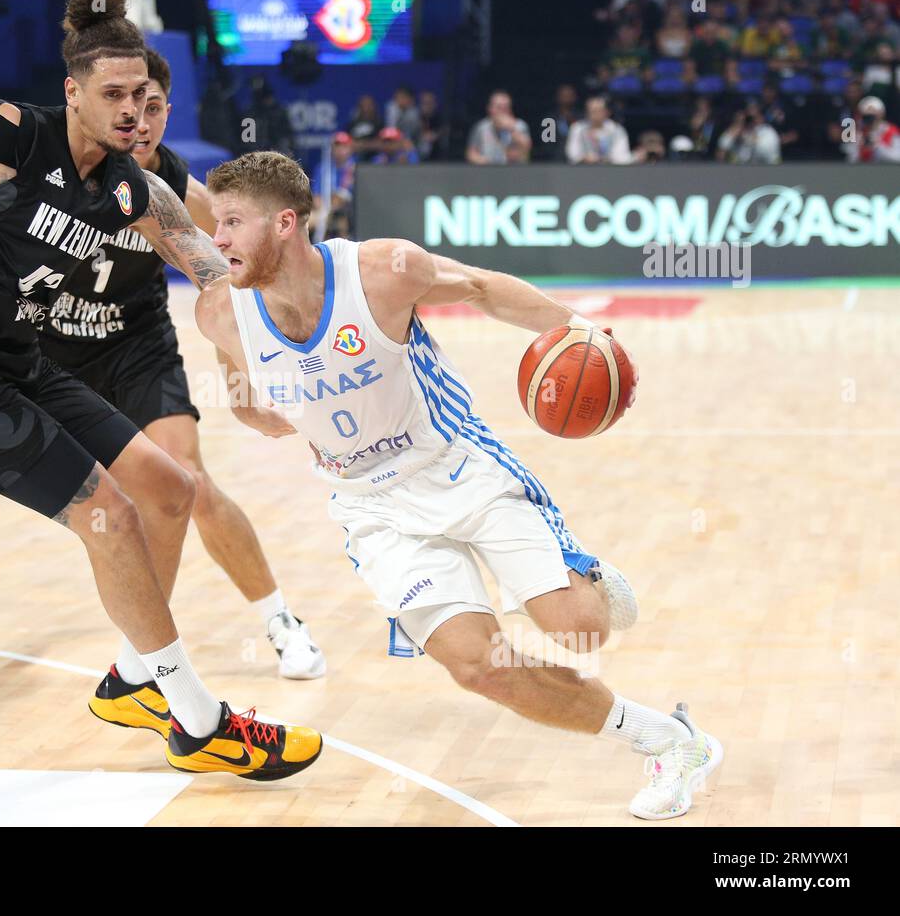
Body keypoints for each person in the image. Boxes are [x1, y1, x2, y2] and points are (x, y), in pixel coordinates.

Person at [0, 0, 322, 778]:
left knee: (170, 489)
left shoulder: (131, 184)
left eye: (144, 95)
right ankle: (200, 722)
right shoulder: (2, 131)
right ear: (74, 91)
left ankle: (133, 678)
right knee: (111, 516)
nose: (132, 109)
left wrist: (259, 367)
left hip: (20, 363)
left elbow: (207, 273)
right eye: (114, 94)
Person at [193, 149, 724, 819]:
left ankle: (587, 580)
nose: (218, 239)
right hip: (372, 509)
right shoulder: (219, 311)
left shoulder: (382, 271)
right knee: (479, 667)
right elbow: (241, 392)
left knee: (582, 630)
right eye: (216, 223)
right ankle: (671, 741)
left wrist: (581, 332)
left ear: (285, 224)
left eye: (233, 222)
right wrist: (257, 413)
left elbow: (480, 289)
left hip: (459, 467)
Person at [38, 48, 326, 680]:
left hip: (136, 345)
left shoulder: (185, 197)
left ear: (169, 111)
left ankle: (279, 620)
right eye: (127, 105)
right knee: (99, 507)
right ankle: (142, 645)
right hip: (49, 351)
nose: (139, 121)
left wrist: (239, 384)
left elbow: (227, 292)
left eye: (154, 107)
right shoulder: (56, 163)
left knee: (188, 481)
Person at [466, 90, 531, 165]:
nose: (502, 111)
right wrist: (485, 162)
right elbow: (471, 154)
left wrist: (511, 129)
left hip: (514, 171)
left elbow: (526, 149)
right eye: (499, 107)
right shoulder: (482, 127)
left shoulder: (519, 126)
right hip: (487, 171)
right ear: (490, 108)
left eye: (506, 107)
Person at [566, 96, 632, 164]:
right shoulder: (577, 128)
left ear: (607, 112)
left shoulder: (617, 130)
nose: (595, 115)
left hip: (611, 170)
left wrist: (604, 159)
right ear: (586, 113)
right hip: (582, 169)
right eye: (592, 111)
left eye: (599, 111)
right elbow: (572, 154)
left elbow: (622, 156)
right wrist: (584, 158)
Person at [845, 95, 900, 162]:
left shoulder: (891, 131)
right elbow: (850, 161)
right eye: (867, 115)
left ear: (882, 113)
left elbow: (897, 158)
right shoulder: (858, 133)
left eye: (874, 115)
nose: (871, 119)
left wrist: (878, 145)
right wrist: (858, 147)